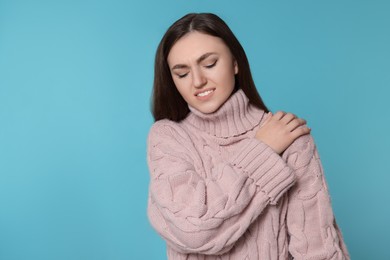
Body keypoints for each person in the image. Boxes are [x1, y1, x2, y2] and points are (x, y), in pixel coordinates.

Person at [147, 13, 349, 260]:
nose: (198, 81)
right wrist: (262, 151)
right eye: (182, 73)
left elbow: (318, 251)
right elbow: (193, 230)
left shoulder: (290, 137)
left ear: (235, 63)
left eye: (209, 64)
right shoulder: (169, 138)